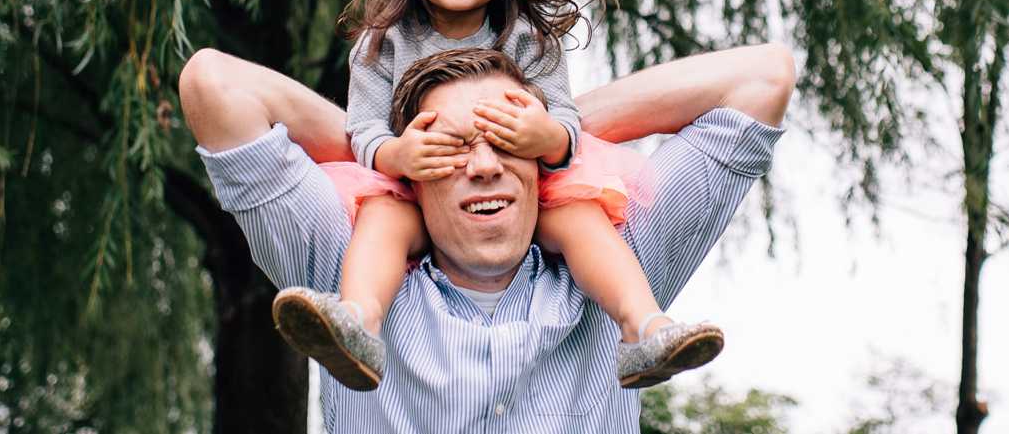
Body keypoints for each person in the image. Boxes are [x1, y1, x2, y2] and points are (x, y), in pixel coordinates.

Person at [248, 0, 713, 392]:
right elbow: (361, 129)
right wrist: (396, 156)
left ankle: (643, 327)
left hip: (524, 191)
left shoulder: (528, 40)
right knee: (382, 219)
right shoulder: (381, 43)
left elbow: (565, 120)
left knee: (584, 220)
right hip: (419, 184)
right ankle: (357, 323)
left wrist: (547, 137)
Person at [179, 42, 793, 433]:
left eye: (504, 143)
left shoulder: (623, 258)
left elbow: (763, 77)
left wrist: (559, 135)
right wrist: (384, 151)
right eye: (449, 148)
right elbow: (215, 84)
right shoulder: (345, 262)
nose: (482, 165)